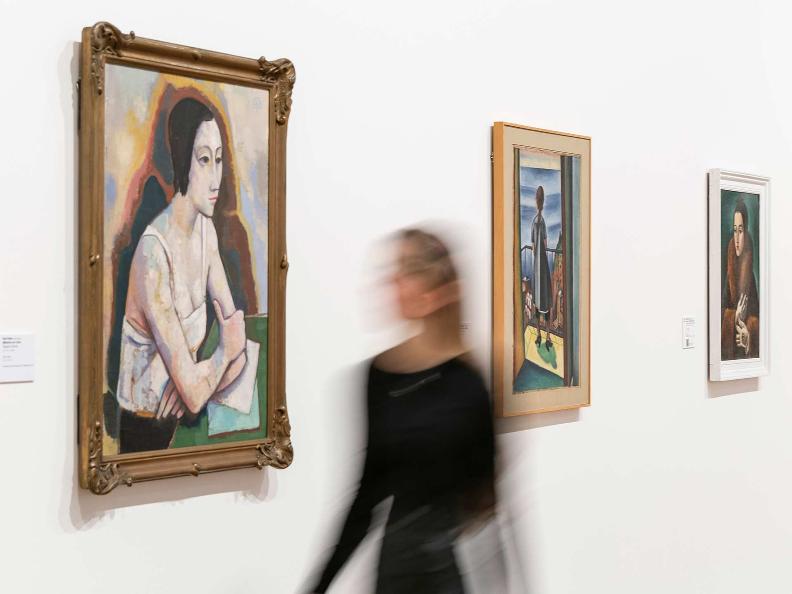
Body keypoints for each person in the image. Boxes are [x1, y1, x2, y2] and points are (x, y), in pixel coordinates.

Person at [308, 229, 496, 594]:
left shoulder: (467, 383)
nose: (391, 282)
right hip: (395, 573)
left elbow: (485, 504)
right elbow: (366, 497)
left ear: (433, 290)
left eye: (404, 272)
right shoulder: (379, 376)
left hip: (448, 574)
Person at [115, 97, 248, 453]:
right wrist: (218, 359)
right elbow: (230, 350)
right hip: (145, 433)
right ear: (181, 159)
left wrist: (194, 380)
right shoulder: (153, 254)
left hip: (187, 423)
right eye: (204, 160)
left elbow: (240, 344)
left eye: (219, 159)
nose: (216, 177)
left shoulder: (206, 232)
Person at [721, 199, 759, 359]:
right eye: (735, 230)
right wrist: (735, 316)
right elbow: (719, 313)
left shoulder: (750, 276)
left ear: (746, 232)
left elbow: (758, 319)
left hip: (745, 357)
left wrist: (748, 333)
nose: (737, 238)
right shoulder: (729, 271)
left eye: (741, 231)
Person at [531, 186, 552, 349]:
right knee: (546, 298)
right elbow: (544, 243)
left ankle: (537, 335)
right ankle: (548, 336)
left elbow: (533, 246)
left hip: (536, 266)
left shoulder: (533, 221)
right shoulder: (542, 221)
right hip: (543, 264)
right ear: (543, 202)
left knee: (537, 299)